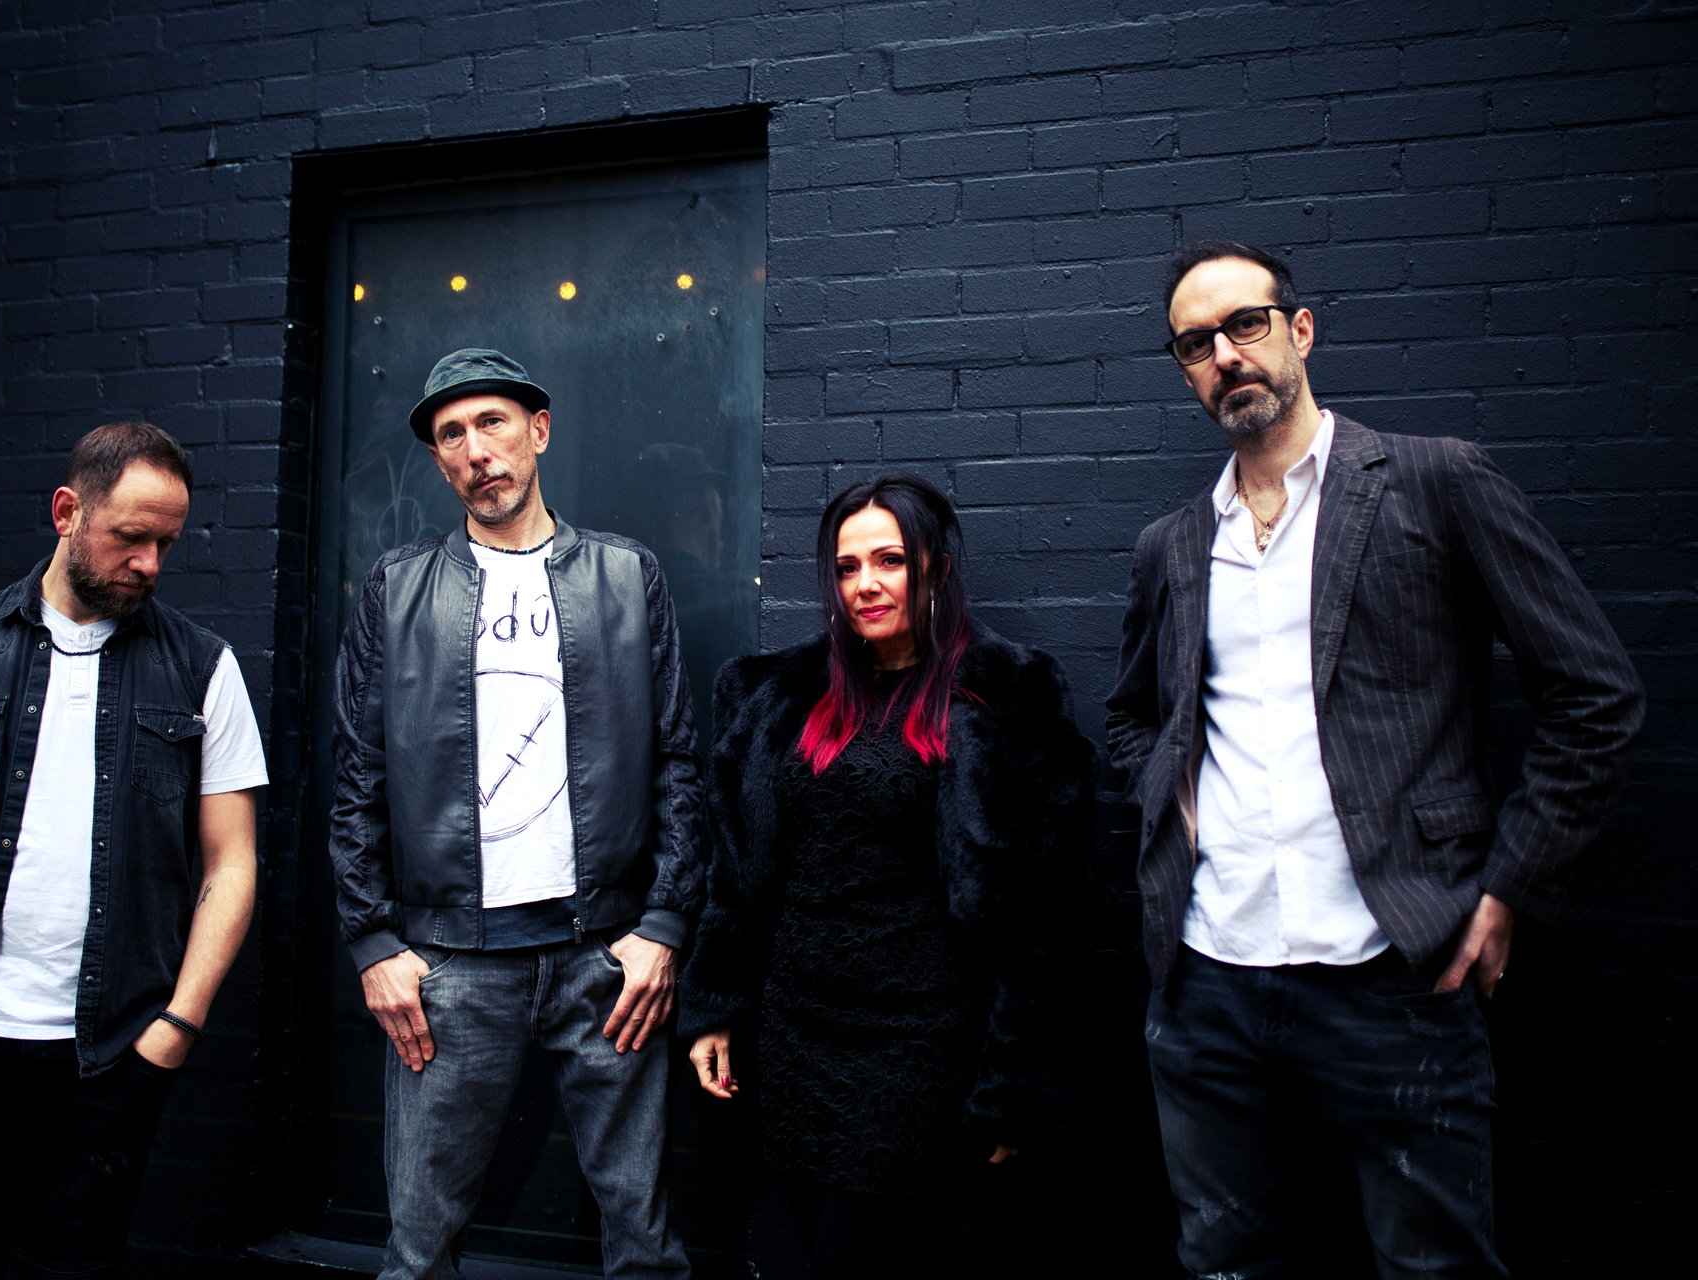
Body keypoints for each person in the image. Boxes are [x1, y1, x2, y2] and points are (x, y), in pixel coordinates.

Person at [1106, 240, 1645, 1278]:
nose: (1226, 354)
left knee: (1433, 1266)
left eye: (1246, 324)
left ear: (1300, 330)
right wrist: (1175, 799)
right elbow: (1133, 716)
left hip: (1396, 975)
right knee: (1225, 1264)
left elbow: (1595, 693)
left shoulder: (1436, 481)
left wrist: (1511, 887)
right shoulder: (1172, 543)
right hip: (1207, 981)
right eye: (1196, 343)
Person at [0, 420, 268, 1278]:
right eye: (131, 537)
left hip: (111, 1056)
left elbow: (232, 863)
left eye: (167, 544)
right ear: (67, 512)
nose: (150, 564)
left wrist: (175, 1030)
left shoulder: (204, 669)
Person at [329, 347, 704, 1280]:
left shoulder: (626, 575)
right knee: (418, 1252)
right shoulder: (397, 587)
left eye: (492, 423)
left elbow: (679, 762)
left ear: (538, 431)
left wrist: (663, 926)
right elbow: (357, 776)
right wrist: (373, 942)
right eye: (451, 435)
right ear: (438, 462)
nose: (475, 450)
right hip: (449, 966)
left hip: (606, 959)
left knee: (646, 1246)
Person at [679, 472, 1095, 1276]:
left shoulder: (1005, 695)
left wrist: (1018, 1084)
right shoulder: (781, 696)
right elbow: (735, 870)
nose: (865, 584)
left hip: (920, 1045)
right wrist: (716, 1005)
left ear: (936, 567)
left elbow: (1047, 916)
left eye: (889, 560)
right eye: (846, 567)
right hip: (797, 1035)